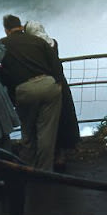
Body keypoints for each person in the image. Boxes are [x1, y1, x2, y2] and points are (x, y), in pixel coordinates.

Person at [0, 14, 63, 171]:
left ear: (6, 30)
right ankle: (45, 171)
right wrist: (58, 83)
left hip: (25, 90)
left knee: (27, 131)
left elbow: (3, 73)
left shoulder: (3, 44)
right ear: (21, 27)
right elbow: (56, 65)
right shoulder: (38, 41)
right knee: (46, 133)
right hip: (48, 86)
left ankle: (28, 168)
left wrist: (13, 95)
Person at [24, 20, 80, 172]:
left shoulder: (33, 46)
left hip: (44, 84)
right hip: (60, 83)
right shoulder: (52, 42)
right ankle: (61, 155)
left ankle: (46, 159)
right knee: (62, 119)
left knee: (45, 124)